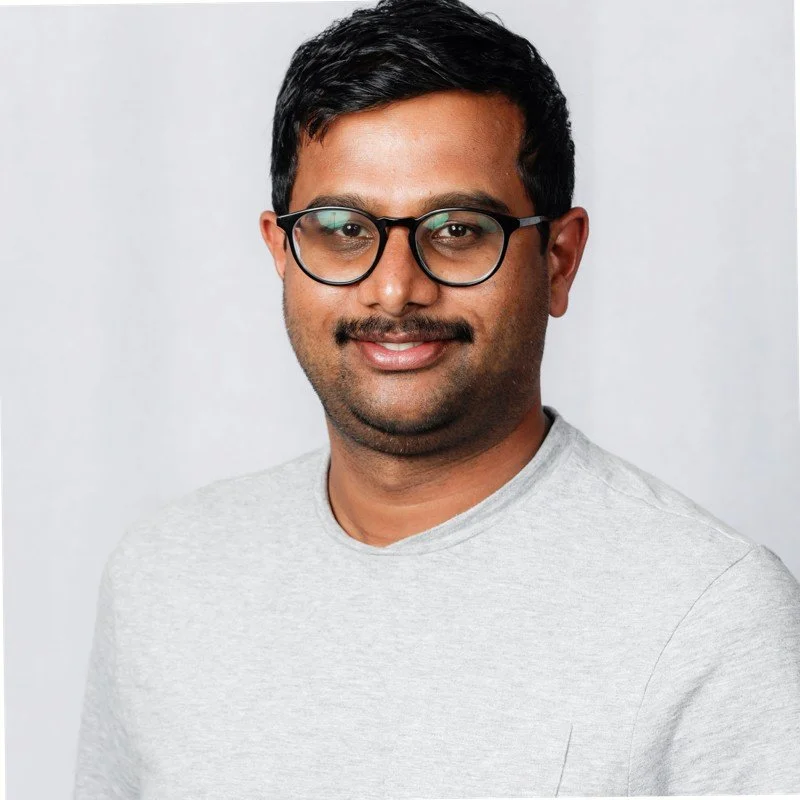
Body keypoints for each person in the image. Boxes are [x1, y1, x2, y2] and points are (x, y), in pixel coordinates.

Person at [73, 0, 800, 797]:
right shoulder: (165, 579)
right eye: (343, 226)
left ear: (558, 260)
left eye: (458, 229)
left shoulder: (708, 612)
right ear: (282, 252)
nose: (395, 289)